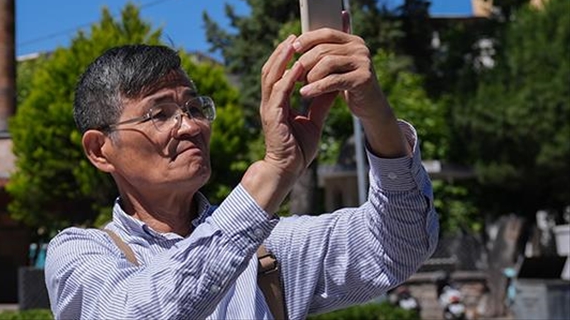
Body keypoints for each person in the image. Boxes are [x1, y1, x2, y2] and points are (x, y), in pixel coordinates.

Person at [44, 28, 438, 319]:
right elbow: (140, 312)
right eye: (159, 114)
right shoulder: (80, 253)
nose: (190, 126)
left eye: (194, 108)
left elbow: (398, 245)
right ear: (100, 149)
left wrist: (376, 116)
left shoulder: (269, 247)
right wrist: (272, 175)